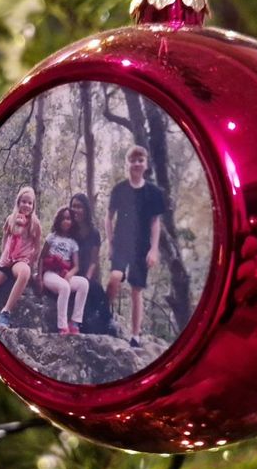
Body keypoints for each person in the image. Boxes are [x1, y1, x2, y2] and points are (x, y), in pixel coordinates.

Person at [106, 145, 165, 347]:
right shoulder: (119, 190)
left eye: (140, 160)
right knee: (115, 278)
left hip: (142, 247)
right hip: (121, 243)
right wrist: (111, 243)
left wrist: (154, 249)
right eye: (133, 160)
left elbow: (155, 222)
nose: (137, 164)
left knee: (136, 290)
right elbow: (108, 217)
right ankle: (105, 318)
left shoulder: (153, 193)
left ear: (146, 164)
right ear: (127, 163)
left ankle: (135, 335)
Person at [0, 186, 41, 328]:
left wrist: (30, 262)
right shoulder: (10, 219)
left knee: (25, 272)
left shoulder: (34, 223)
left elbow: (37, 247)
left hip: (20, 262)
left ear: (33, 205)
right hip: (5, 262)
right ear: (18, 202)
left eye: (30, 203)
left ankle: (5, 312)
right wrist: (4, 256)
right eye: (24, 201)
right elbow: (5, 239)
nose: (27, 205)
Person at [39, 207, 89, 335]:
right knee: (65, 287)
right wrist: (39, 278)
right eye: (64, 219)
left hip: (65, 274)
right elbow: (41, 258)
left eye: (69, 219)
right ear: (58, 221)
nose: (66, 222)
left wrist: (70, 274)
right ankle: (62, 326)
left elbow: (76, 266)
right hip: (50, 274)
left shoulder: (73, 243)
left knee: (83, 283)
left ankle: (75, 322)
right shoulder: (52, 237)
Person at [68, 193, 112, 334]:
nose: (75, 210)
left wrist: (87, 277)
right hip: (69, 272)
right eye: (73, 206)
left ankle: (108, 324)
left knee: (96, 290)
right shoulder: (68, 229)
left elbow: (94, 260)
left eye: (79, 207)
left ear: (86, 210)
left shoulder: (94, 233)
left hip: (86, 274)